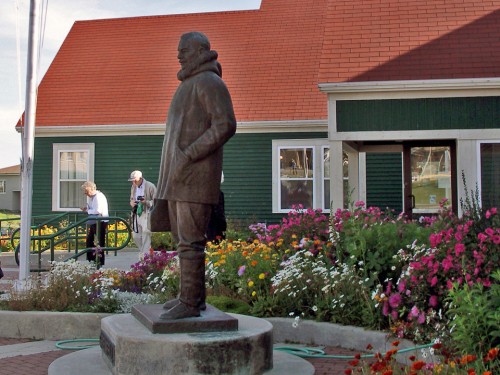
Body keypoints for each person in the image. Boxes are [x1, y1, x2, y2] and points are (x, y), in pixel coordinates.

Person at [150, 31, 236, 319]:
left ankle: (190, 303)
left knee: (190, 241)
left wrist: (188, 155)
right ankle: (191, 299)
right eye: (178, 50)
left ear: (200, 51)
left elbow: (225, 125)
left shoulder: (210, 82)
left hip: (195, 178)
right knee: (181, 239)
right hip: (179, 179)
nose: (179, 55)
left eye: (184, 50)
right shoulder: (189, 84)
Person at [80, 181, 109, 267]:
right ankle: (92, 260)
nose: (86, 194)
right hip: (96, 221)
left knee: (98, 242)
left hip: (100, 221)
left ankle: (98, 262)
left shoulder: (98, 197)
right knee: (91, 241)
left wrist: (88, 211)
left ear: (91, 189)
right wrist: (88, 209)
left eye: (86, 192)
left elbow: (98, 210)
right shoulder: (94, 197)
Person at [128, 170, 157, 255]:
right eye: (132, 180)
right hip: (137, 212)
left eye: (135, 180)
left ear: (140, 178)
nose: (133, 182)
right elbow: (131, 198)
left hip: (146, 212)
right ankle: (144, 253)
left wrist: (146, 202)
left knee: (146, 234)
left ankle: (145, 256)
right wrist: (131, 202)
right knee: (136, 236)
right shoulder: (133, 186)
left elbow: (156, 201)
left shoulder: (150, 186)